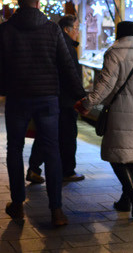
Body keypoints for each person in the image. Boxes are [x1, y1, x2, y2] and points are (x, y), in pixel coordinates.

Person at [0, 0, 84, 228]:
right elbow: (67, 66)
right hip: (47, 98)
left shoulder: (5, 30)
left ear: (18, 3)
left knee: (14, 148)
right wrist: (80, 96)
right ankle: (57, 211)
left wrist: (6, 89)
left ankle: (18, 204)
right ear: (38, 2)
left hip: (17, 99)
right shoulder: (52, 29)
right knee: (52, 150)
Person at [81, 21, 133, 218]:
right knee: (130, 156)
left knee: (116, 155)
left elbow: (105, 84)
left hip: (121, 112)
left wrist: (88, 103)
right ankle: (125, 200)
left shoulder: (114, 53)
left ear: (118, 34)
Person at [27, 15, 87, 185]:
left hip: (50, 97)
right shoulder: (66, 46)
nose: (77, 32)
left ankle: (34, 168)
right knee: (67, 136)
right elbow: (70, 73)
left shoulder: (52, 43)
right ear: (67, 30)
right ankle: (67, 171)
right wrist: (80, 96)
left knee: (46, 135)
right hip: (65, 100)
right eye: (76, 28)